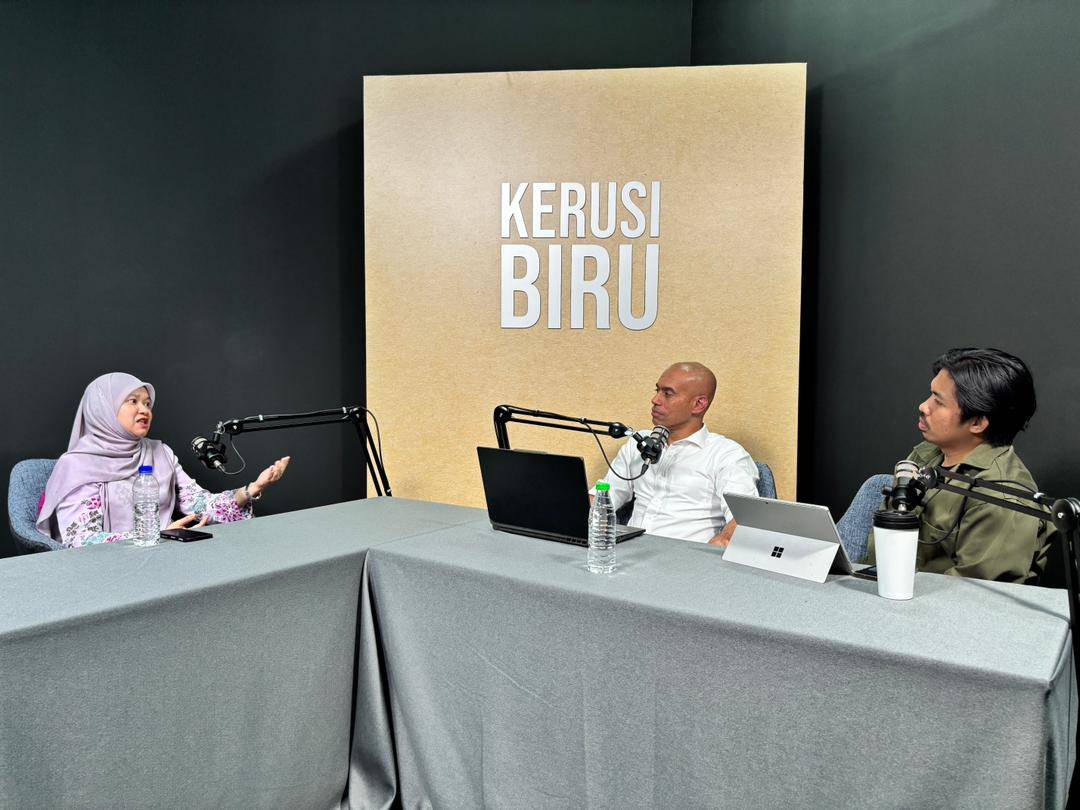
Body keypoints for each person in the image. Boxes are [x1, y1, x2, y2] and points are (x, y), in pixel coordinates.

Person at [37, 372, 290, 548]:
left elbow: (199, 504)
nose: (144, 410)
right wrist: (156, 535)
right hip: (106, 573)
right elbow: (81, 540)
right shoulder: (78, 465)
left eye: (147, 403)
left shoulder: (160, 452)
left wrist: (250, 490)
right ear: (103, 409)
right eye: (132, 401)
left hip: (165, 559)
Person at [867, 347, 1047, 582]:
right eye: (930, 394)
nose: (924, 406)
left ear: (978, 422)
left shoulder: (1002, 500)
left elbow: (970, 597)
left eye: (939, 402)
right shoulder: (927, 456)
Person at [594, 362, 760, 545]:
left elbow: (745, 520)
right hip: (628, 554)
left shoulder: (727, 455)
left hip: (685, 561)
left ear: (698, 404)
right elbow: (603, 499)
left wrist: (715, 549)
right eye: (657, 390)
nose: (655, 400)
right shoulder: (639, 443)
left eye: (667, 393)